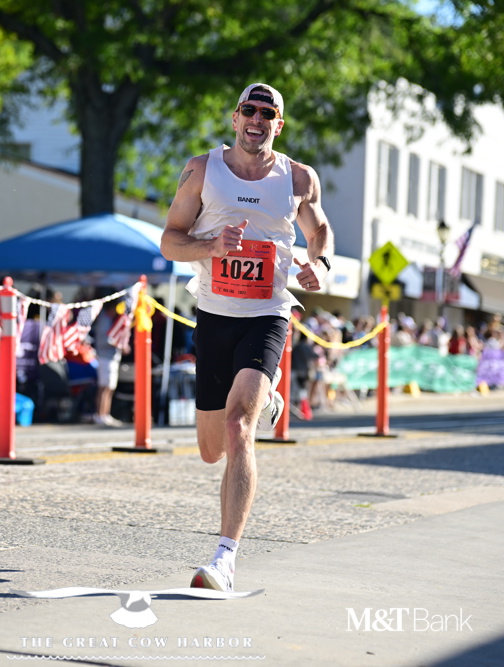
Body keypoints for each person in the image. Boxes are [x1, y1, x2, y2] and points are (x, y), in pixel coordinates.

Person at [160, 83, 334, 592]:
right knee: (211, 449)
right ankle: (269, 398)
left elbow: (319, 230)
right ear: (235, 118)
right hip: (214, 315)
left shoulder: (298, 178)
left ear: (279, 124)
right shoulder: (202, 170)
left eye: (267, 113)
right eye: (249, 110)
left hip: (268, 314)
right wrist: (211, 246)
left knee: (240, 427)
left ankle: (225, 559)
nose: (257, 119)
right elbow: (170, 241)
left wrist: (321, 264)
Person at [92, 294, 123, 427]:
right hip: (105, 357)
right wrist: (118, 343)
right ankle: (100, 414)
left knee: (109, 388)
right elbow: (103, 340)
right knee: (104, 388)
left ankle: (105, 414)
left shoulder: (109, 320)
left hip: (110, 357)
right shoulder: (104, 320)